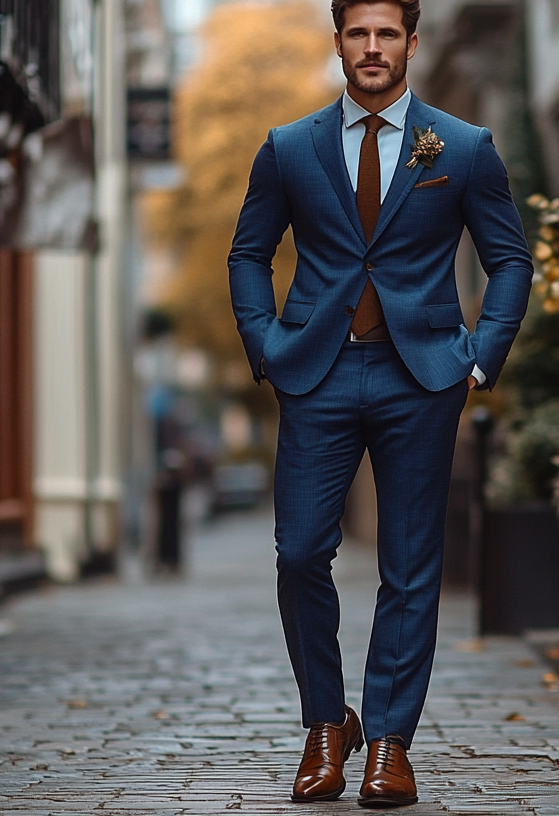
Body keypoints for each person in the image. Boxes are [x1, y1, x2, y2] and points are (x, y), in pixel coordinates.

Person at [227, 0, 532, 807]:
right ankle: (327, 726)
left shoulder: (461, 148)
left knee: (409, 568)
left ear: (411, 44)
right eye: (357, 33)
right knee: (299, 555)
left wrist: (479, 358)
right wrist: (265, 344)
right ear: (338, 43)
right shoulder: (289, 149)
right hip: (316, 374)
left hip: (421, 377)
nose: (371, 48)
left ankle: (389, 744)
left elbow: (508, 261)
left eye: (386, 34)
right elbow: (249, 252)